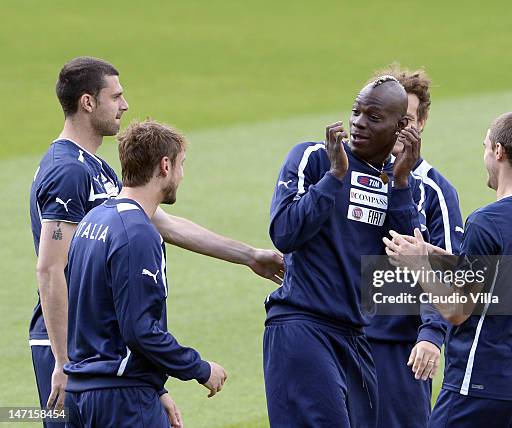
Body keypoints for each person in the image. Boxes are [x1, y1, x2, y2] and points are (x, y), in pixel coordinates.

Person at [28, 57, 283, 424]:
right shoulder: (68, 171)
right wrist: (65, 362)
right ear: (88, 102)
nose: (125, 105)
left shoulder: (95, 167)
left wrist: (248, 256)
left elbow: (161, 223)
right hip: (72, 346)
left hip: (102, 351)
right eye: (115, 96)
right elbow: (51, 269)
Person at [385, 111, 512, 428]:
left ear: (499, 151)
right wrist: (430, 252)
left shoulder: (488, 221)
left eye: (485, 146)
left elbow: (458, 310)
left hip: (479, 385)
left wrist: (418, 267)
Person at [264, 76, 422, 427]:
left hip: (355, 335)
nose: (358, 123)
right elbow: (285, 232)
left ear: (401, 128)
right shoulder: (315, 158)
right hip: (303, 325)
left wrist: (400, 184)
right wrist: (335, 176)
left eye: (373, 117)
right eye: (356, 112)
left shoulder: (392, 182)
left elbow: (412, 265)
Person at [63, 120, 225, 427]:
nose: (181, 175)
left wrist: (156, 387)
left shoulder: (93, 220)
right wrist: (200, 369)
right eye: (181, 164)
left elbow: (95, 313)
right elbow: (140, 330)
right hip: (122, 401)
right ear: (165, 165)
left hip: (83, 395)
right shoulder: (138, 232)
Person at [365, 66, 463, 428]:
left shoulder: (435, 191)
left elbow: (451, 271)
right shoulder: (348, 175)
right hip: (342, 340)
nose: (397, 129)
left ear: (421, 123)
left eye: (405, 120)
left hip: (400, 352)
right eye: (389, 118)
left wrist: (432, 335)